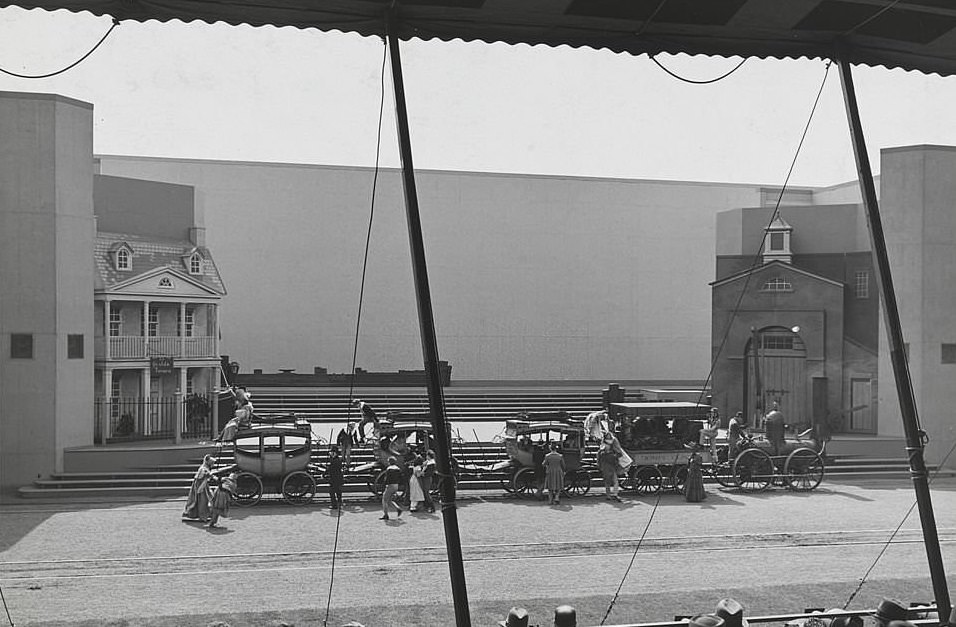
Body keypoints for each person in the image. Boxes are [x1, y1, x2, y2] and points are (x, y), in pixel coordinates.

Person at [182, 454, 215, 521]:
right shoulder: (203, 468)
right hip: (200, 485)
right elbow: (202, 477)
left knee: (206, 499)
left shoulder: (205, 467)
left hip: (204, 484)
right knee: (202, 500)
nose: (212, 464)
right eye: (211, 463)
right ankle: (202, 515)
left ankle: (205, 514)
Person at [597, 431, 625, 502]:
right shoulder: (610, 446)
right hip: (610, 465)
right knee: (614, 481)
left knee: (608, 481)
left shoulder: (603, 447)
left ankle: (609, 495)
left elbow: (599, 456)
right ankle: (614, 494)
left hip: (606, 465)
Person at [380, 456, 405, 521]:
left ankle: (386, 515)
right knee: (390, 500)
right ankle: (398, 508)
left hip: (390, 485)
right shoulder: (398, 469)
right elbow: (401, 478)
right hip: (396, 485)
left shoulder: (389, 469)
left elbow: (387, 479)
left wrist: (384, 485)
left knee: (384, 500)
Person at [327, 445, 345, 510]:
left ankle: (334, 505)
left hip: (334, 479)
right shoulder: (337, 459)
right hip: (338, 478)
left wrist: (324, 473)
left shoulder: (334, 460)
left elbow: (330, 469)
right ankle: (339, 502)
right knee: (338, 491)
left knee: (332, 492)